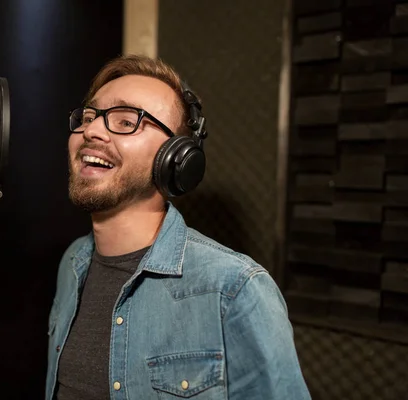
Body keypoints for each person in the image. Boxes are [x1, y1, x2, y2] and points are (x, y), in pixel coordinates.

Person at [45, 54, 310, 400]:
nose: (91, 130)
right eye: (90, 117)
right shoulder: (73, 263)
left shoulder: (234, 289)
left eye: (126, 122)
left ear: (176, 159)